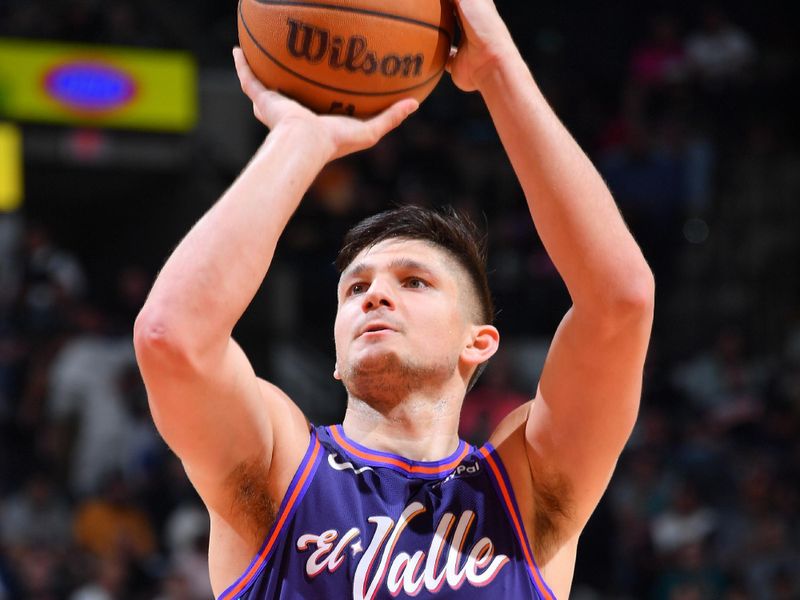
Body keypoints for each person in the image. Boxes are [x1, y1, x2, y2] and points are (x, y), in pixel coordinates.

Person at [133, 0, 655, 598]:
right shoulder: (281, 469)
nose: (374, 294)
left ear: (478, 342)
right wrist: (301, 140)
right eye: (355, 287)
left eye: (414, 281)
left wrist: (499, 70)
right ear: (333, 351)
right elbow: (171, 338)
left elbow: (621, 301)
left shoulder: (524, 487)